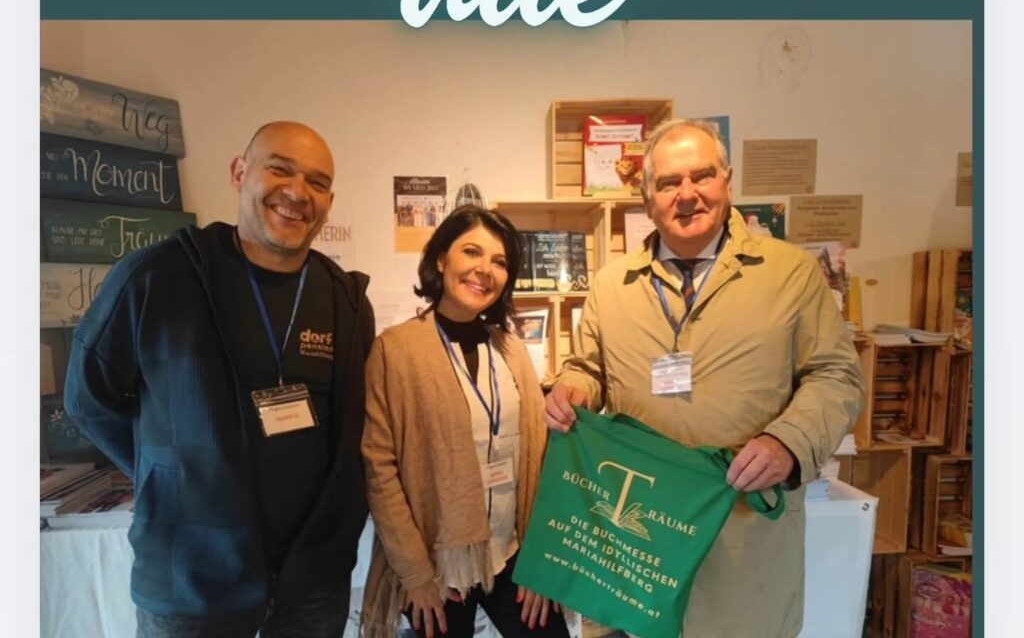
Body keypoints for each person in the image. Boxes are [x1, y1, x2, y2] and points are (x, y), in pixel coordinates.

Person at [544, 119, 864, 638]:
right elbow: (589, 366)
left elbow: (836, 376)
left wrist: (789, 441)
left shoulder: (790, 274)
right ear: (647, 197)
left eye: (702, 176)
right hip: (639, 540)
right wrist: (573, 386)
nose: (687, 194)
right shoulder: (611, 286)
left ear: (728, 182)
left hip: (741, 537)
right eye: (670, 182)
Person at [65, 121, 374, 638]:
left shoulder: (344, 299)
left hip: (310, 581)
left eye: (317, 182)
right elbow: (88, 398)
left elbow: (350, 431)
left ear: (329, 201)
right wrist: (170, 477)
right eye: (280, 169)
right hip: (192, 578)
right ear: (239, 173)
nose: (298, 192)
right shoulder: (157, 277)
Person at [361, 206, 568, 638]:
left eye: (500, 261)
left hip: (513, 553)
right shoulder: (396, 350)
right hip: (439, 565)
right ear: (441, 259)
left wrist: (540, 561)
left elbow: (539, 456)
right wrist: (415, 575)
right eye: (472, 252)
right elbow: (380, 469)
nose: (485, 270)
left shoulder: (511, 349)